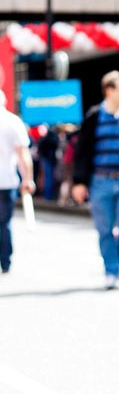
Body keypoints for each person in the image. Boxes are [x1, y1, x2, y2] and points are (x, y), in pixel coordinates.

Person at [72, 71, 119, 289]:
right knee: (104, 229)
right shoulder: (94, 116)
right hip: (100, 181)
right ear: (109, 91)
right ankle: (111, 270)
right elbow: (82, 151)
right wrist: (79, 182)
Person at [0, 89, 35, 273]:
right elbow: (23, 155)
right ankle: (5, 261)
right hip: (7, 181)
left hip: (7, 181)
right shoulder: (13, 122)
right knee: (4, 223)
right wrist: (27, 178)